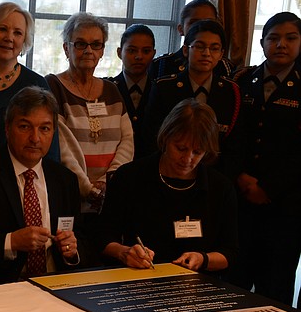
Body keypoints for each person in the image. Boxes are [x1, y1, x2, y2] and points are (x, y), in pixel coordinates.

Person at [0, 87, 88, 289]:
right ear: (7, 128)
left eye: (44, 128)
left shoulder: (65, 179)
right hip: (0, 290)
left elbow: (80, 236)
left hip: (56, 286)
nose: (35, 138)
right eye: (25, 127)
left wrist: (72, 250)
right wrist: (11, 241)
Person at [98, 99, 237, 273]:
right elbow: (102, 238)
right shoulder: (130, 177)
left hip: (196, 284)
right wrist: (124, 253)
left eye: (197, 152)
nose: (187, 159)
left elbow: (230, 253)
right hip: (137, 280)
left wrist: (203, 258)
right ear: (165, 137)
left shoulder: (220, 187)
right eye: (180, 148)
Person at [228, 12, 301, 306]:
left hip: (285, 204)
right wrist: (241, 178)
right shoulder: (243, 80)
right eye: (273, 38)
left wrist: (268, 188)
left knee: (276, 286)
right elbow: (231, 137)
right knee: (236, 280)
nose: (280, 44)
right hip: (241, 199)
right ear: (262, 42)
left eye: (290, 38)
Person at [45, 12, 134, 218]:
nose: (88, 51)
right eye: (80, 44)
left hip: (109, 196)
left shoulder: (112, 90)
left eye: (96, 44)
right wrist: (87, 188)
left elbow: (127, 141)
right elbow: (61, 145)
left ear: (103, 51)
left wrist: (107, 181)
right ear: (66, 48)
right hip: (69, 195)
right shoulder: (52, 86)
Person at [0, 2, 59, 162]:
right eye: (2, 29)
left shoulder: (36, 83)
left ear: (24, 42)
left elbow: (50, 148)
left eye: (17, 33)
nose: (9, 38)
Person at [142, 20, 240, 164]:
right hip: (169, 167)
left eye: (214, 48)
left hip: (214, 175)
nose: (206, 53)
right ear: (186, 50)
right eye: (199, 46)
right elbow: (152, 137)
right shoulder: (164, 88)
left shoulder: (230, 91)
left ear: (221, 54)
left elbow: (235, 144)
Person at [149, 0, 235, 81]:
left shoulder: (225, 67)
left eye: (209, 22)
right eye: (194, 22)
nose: (201, 27)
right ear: (181, 29)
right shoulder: (161, 65)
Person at [106, 24, 156, 157]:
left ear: (154, 53)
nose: (139, 57)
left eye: (146, 51)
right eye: (132, 51)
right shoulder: (108, 89)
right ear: (119, 52)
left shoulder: (160, 90)